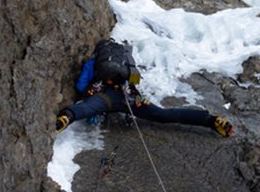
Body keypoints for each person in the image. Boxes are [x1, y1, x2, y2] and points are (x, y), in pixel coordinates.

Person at [55, 39, 234, 137]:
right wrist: (138, 98)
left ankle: (66, 117)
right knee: (163, 115)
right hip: (129, 96)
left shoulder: (95, 62)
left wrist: (92, 89)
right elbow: (135, 80)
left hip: (105, 97)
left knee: (88, 108)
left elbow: (80, 86)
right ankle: (210, 120)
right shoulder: (126, 62)